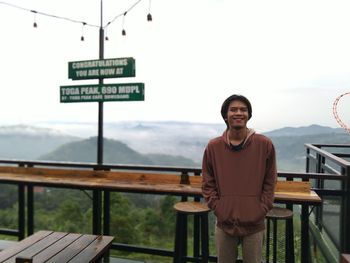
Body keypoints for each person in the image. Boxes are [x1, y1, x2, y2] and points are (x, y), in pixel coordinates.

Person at [202, 94, 277, 263]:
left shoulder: (264, 144)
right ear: (225, 115)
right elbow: (208, 182)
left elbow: (270, 181)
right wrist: (218, 207)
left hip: (255, 223)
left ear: (249, 115)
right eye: (233, 109)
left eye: (243, 110)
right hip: (224, 222)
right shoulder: (213, 147)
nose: (239, 113)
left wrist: (262, 208)